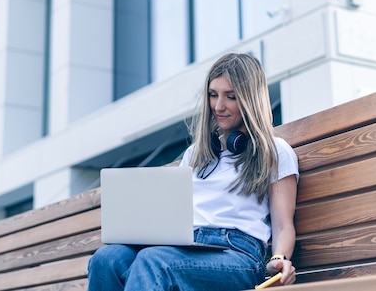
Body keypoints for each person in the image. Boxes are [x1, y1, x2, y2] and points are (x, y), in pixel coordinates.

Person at [87, 52, 299, 290]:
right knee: (106, 260)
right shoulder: (196, 154)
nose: (219, 106)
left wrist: (278, 259)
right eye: (212, 95)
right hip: (188, 247)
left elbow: (283, 225)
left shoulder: (275, 151)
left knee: (154, 262)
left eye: (230, 97)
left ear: (250, 100)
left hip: (239, 254)